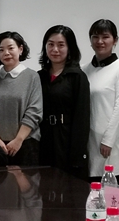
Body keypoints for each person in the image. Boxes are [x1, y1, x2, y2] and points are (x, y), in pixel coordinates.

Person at [82, 20, 119, 185]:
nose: (100, 41)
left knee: (111, 190)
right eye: (95, 37)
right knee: (89, 192)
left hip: (110, 143)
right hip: (87, 141)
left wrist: (108, 140)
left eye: (105, 37)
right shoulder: (84, 70)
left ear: (115, 40)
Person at [38, 25, 90, 180]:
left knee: (68, 186)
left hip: (67, 138)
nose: (55, 49)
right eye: (50, 44)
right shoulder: (39, 76)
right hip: (44, 138)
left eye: (61, 45)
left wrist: (78, 153)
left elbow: (82, 117)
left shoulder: (77, 77)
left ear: (69, 48)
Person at [0, 31, 42, 166]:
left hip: (26, 144)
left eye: (10, 48)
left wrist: (18, 140)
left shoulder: (32, 76)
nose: (6, 53)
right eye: (1, 50)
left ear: (20, 49)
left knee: (25, 181)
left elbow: (34, 111)